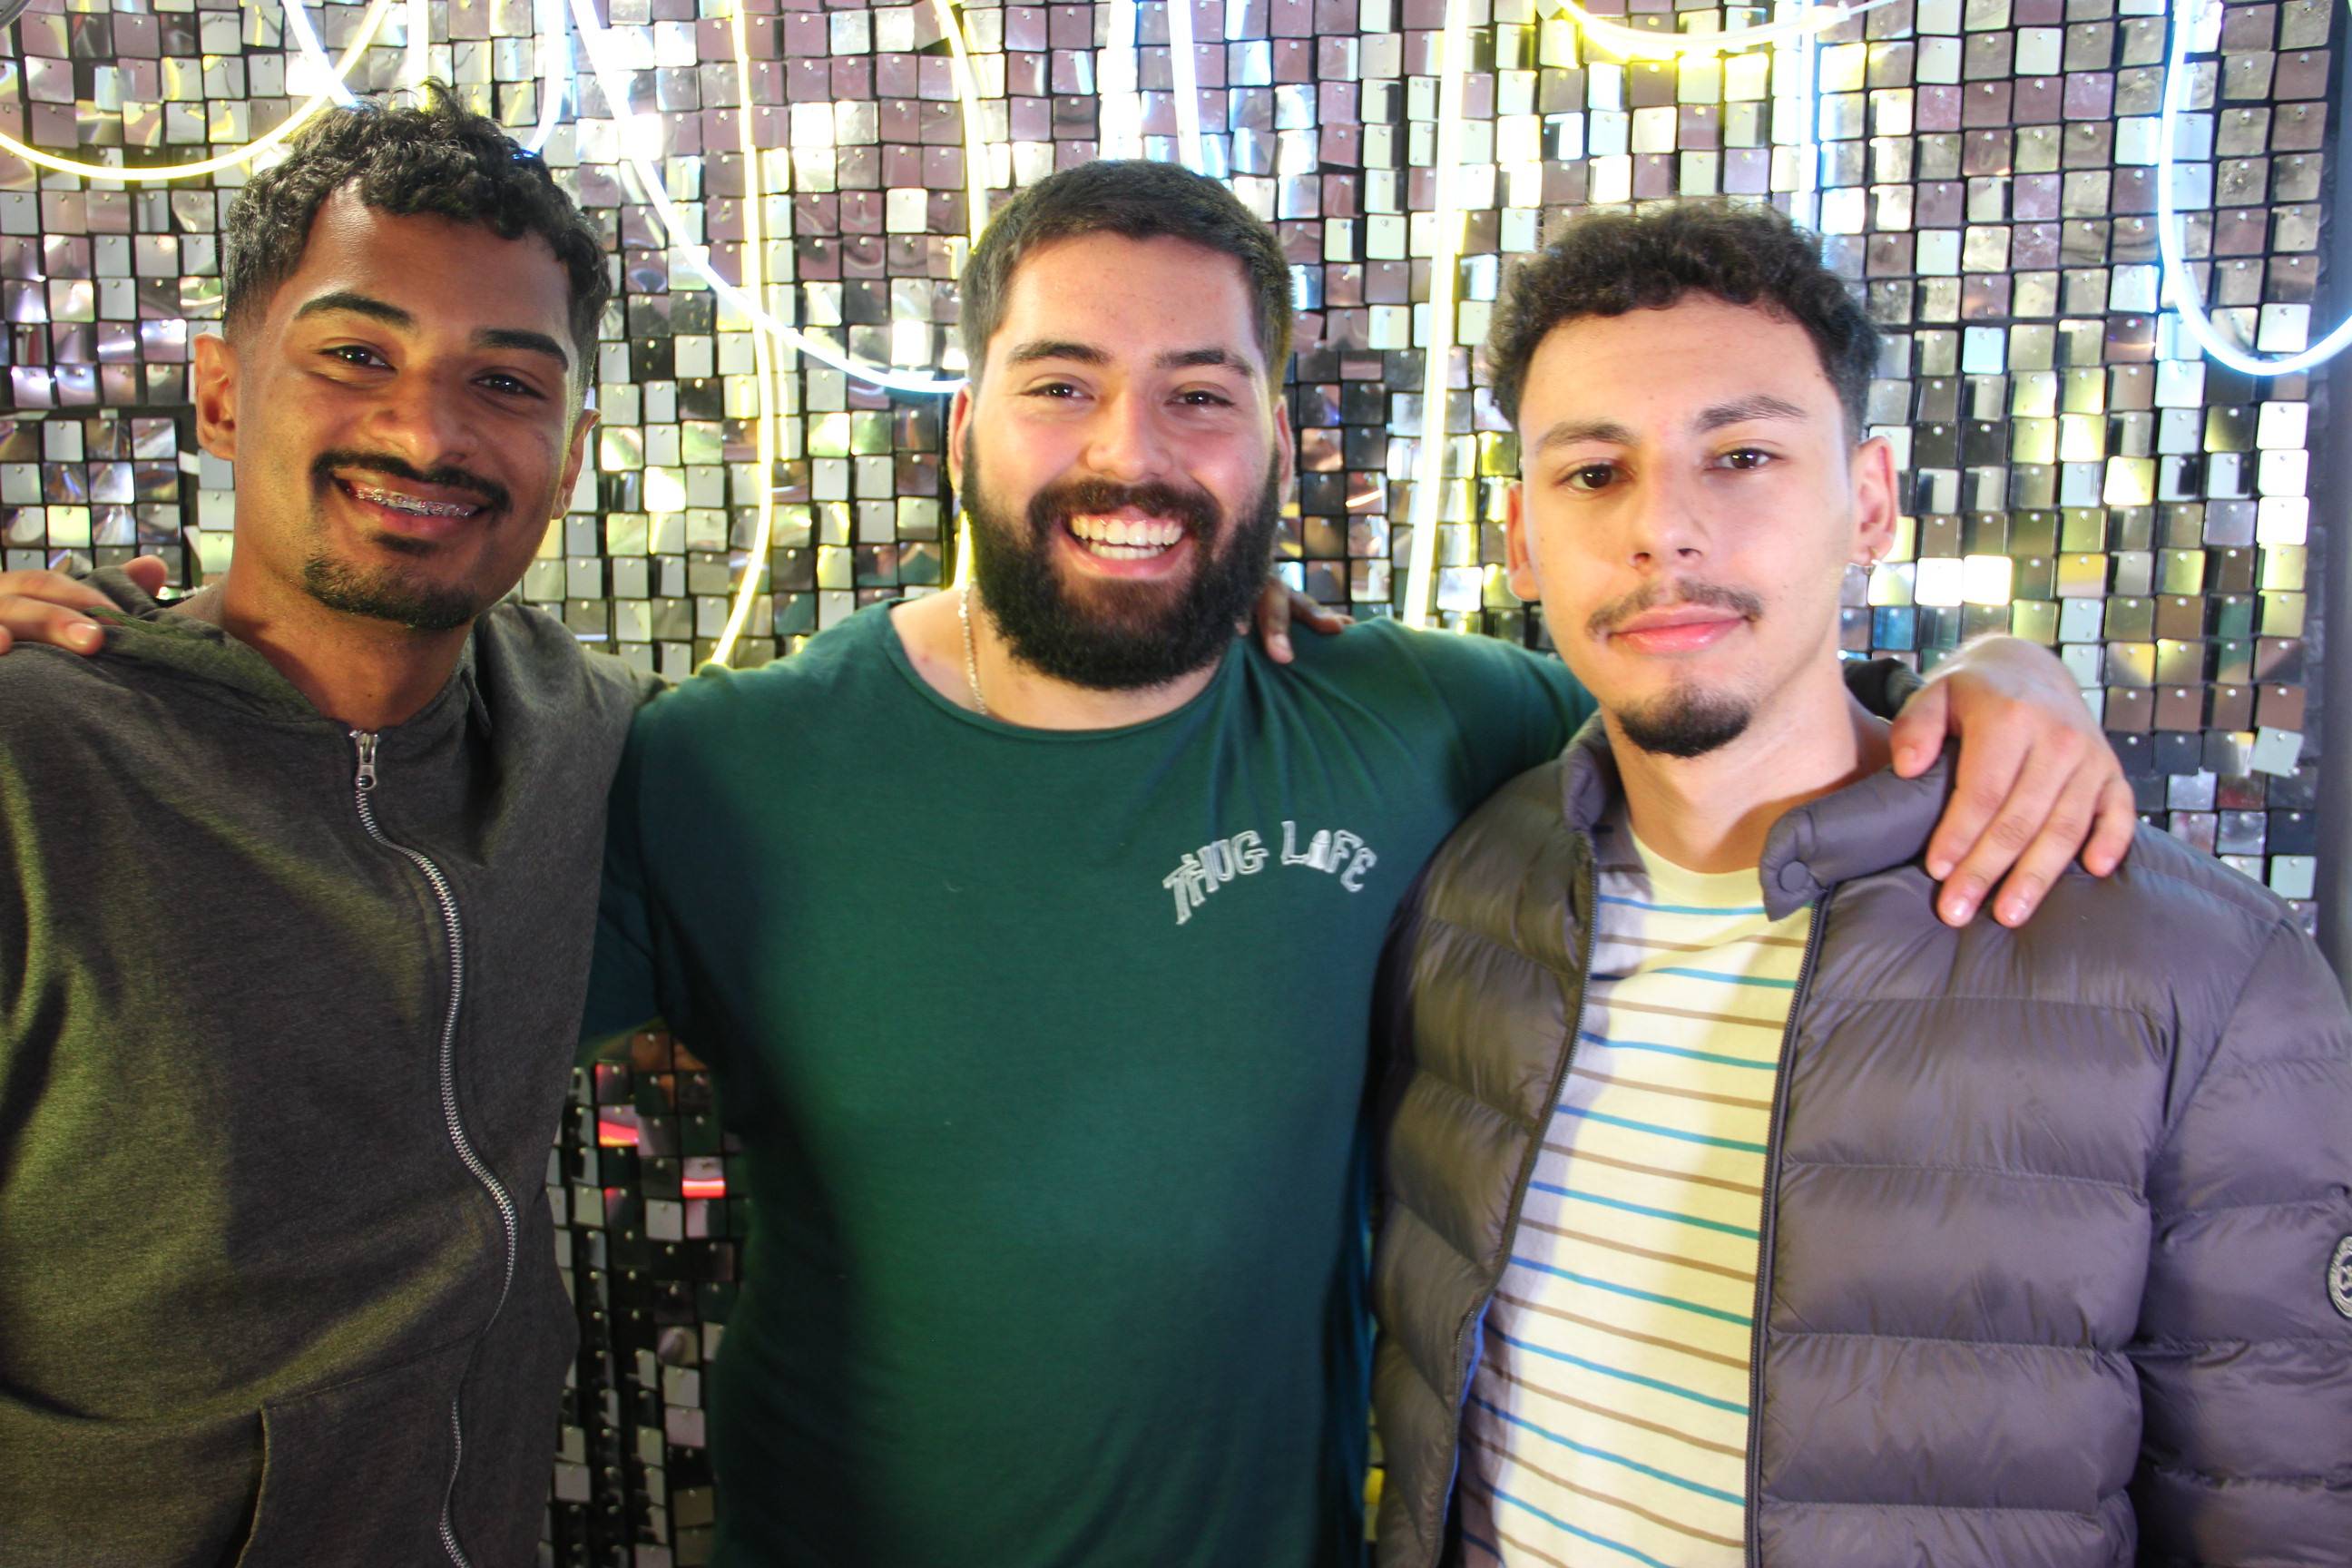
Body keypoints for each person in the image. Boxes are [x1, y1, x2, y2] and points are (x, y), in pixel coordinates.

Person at [0, 131, 2125, 1562]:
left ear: (1279, 444)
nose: (1132, 453)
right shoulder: (710, 768)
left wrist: (2002, 677)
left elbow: (1720, 706)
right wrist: (94, 670)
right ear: (963, 428)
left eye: (1202, 395)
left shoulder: (1424, 721)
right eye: (1062, 386)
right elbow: (368, 895)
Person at [1367, 202, 2352, 1568]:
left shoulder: (2203, 975)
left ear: (1870, 502)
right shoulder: (1464, 888)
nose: (1665, 528)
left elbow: (2284, 1511)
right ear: (1523, 539)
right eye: (1594, 472)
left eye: (1743, 456)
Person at [0, 93, 652, 1566]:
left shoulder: (587, 733)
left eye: (506, 381)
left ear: (568, 452)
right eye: (358, 356)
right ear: (224, 393)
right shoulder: (35, 765)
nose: (427, 432)